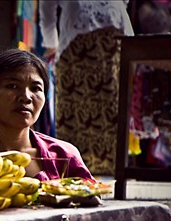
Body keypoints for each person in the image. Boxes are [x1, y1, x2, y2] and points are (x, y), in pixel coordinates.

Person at [38, 1, 134, 176]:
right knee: (101, 105)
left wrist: (50, 42)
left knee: (101, 106)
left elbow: (47, 7)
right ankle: (91, 169)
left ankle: (81, 170)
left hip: (98, 38)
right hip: (102, 32)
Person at [0, 48, 93, 181]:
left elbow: (92, 195)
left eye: (35, 88)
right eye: (12, 86)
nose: (26, 97)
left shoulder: (64, 155)